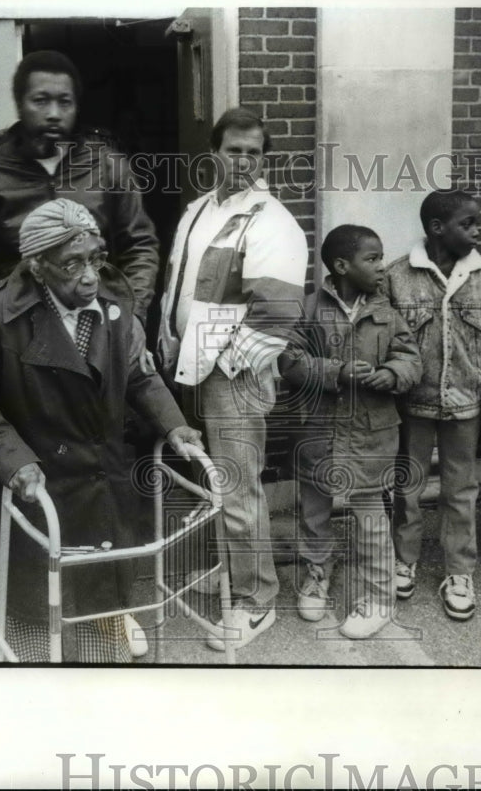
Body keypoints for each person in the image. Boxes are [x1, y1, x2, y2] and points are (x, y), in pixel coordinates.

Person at [0, 198, 202, 662]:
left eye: (96, 259)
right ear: (38, 267)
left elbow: (138, 375)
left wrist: (175, 424)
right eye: (73, 264)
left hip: (102, 475)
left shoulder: (112, 302)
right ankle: (41, 672)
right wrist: (15, 461)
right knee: (38, 607)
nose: (89, 275)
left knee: (103, 584)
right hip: (40, 477)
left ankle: (107, 642)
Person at [157, 107, 308, 650]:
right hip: (195, 362)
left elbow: (277, 314)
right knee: (219, 484)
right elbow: (177, 285)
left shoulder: (273, 220)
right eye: (233, 149)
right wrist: (174, 345)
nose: (243, 160)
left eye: (254, 152)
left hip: (232, 375)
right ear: (214, 153)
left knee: (238, 488)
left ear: (264, 159)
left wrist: (224, 362)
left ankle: (255, 601)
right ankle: (237, 573)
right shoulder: (200, 210)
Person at [0, 50, 159, 330]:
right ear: (20, 104)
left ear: (77, 106)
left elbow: (139, 246)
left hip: (96, 331)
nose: (54, 114)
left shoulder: (108, 167)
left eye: (64, 102)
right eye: (41, 101)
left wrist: (132, 319)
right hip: (15, 336)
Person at [278, 225, 421, 638]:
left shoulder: (387, 312)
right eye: (372, 259)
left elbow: (411, 359)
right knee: (314, 511)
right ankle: (316, 577)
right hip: (319, 430)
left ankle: (377, 598)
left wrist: (392, 375)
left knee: (371, 517)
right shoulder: (307, 309)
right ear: (342, 266)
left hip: (372, 433)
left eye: (380, 257)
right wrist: (335, 372)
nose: (381, 267)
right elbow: (288, 361)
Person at [385, 189, 481, 620]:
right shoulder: (397, 277)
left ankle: (459, 572)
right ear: (437, 228)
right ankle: (404, 560)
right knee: (407, 486)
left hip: (466, 409)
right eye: (468, 224)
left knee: (461, 491)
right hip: (412, 408)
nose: (478, 232)